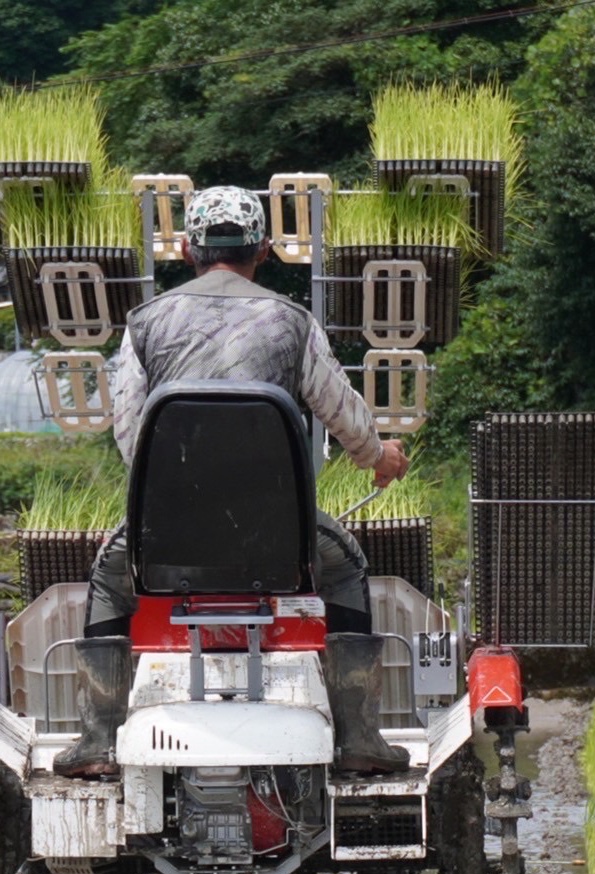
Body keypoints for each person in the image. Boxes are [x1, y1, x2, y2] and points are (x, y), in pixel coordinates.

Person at [54, 184, 411, 780]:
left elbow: (129, 440)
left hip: (166, 537)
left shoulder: (145, 325)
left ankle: (96, 739)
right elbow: (345, 417)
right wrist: (378, 457)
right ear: (264, 251)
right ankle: (357, 735)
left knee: (109, 579)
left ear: (189, 249)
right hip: (278, 540)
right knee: (346, 565)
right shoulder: (292, 323)